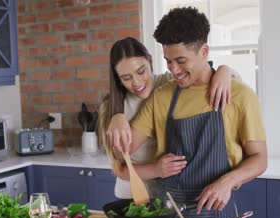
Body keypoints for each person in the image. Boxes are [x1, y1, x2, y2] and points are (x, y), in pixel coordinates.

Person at [108, 7, 267, 218]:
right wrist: (116, 117)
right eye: (168, 61)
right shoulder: (162, 96)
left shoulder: (240, 95)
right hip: (168, 215)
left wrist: (227, 182)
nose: (174, 70)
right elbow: (121, 153)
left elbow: (259, 158)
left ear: (204, 51)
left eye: (181, 61)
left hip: (217, 213)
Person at [99, 37, 242, 200]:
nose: (137, 82)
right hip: (130, 196)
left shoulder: (170, 83)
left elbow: (235, 81)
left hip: (169, 196)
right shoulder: (111, 107)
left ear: (150, 61)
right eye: (126, 78)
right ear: (118, 78)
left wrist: (224, 71)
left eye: (141, 71)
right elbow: (119, 169)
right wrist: (156, 169)